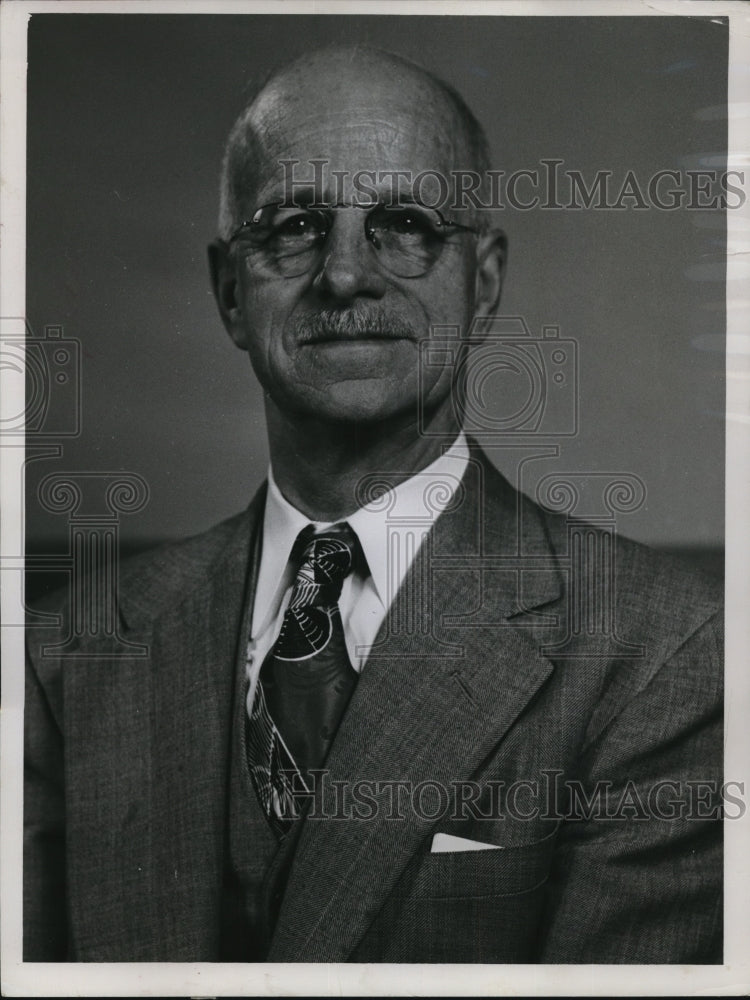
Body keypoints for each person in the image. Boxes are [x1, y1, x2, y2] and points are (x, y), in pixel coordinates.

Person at [24, 44, 723, 964]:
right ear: (230, 292)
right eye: (292, 226)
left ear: (484, 285)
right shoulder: (61, 658)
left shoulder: (666, 654)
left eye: (406, 223)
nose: (346, 275)